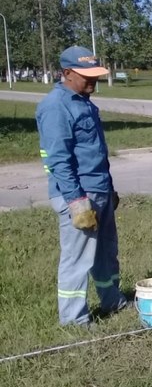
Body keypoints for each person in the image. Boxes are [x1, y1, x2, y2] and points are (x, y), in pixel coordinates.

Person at [36, 46, 127, 326]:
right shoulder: (55, 107)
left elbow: (96, 153)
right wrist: (76, 202)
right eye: (86, 76)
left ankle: (112, 299)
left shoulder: (84, 101)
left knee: (105, 252)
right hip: (78, 195)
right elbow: (59, 161)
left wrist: (108, 189)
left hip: (98, 189)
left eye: (95, 75)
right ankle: (74, 319)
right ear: (66, 73)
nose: (93, 81)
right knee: (77, 259)